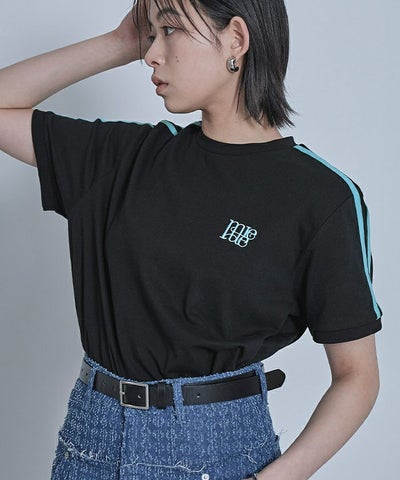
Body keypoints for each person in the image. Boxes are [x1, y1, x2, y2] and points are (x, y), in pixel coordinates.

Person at [0, 0, 383, 479]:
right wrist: (119, 42)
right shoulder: (125, 158)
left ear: (236, 39)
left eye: (171, 30)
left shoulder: (322, 198)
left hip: (220, 451)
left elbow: (356, 377)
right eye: (151, 33)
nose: (151, 54)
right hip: (90, 442)